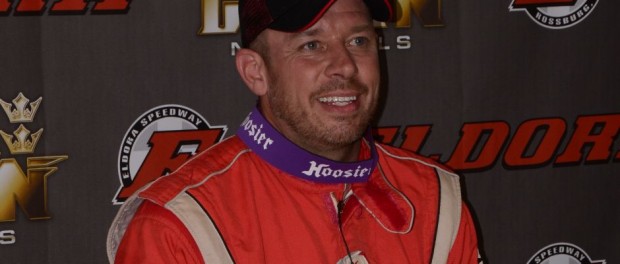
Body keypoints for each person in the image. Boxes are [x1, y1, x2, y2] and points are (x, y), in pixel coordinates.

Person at [107, 0, 482, 263]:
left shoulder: (434, 198)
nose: (345, 67)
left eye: (358, 41)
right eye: (312, 45)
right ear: (255, 72)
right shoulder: (178, 224)